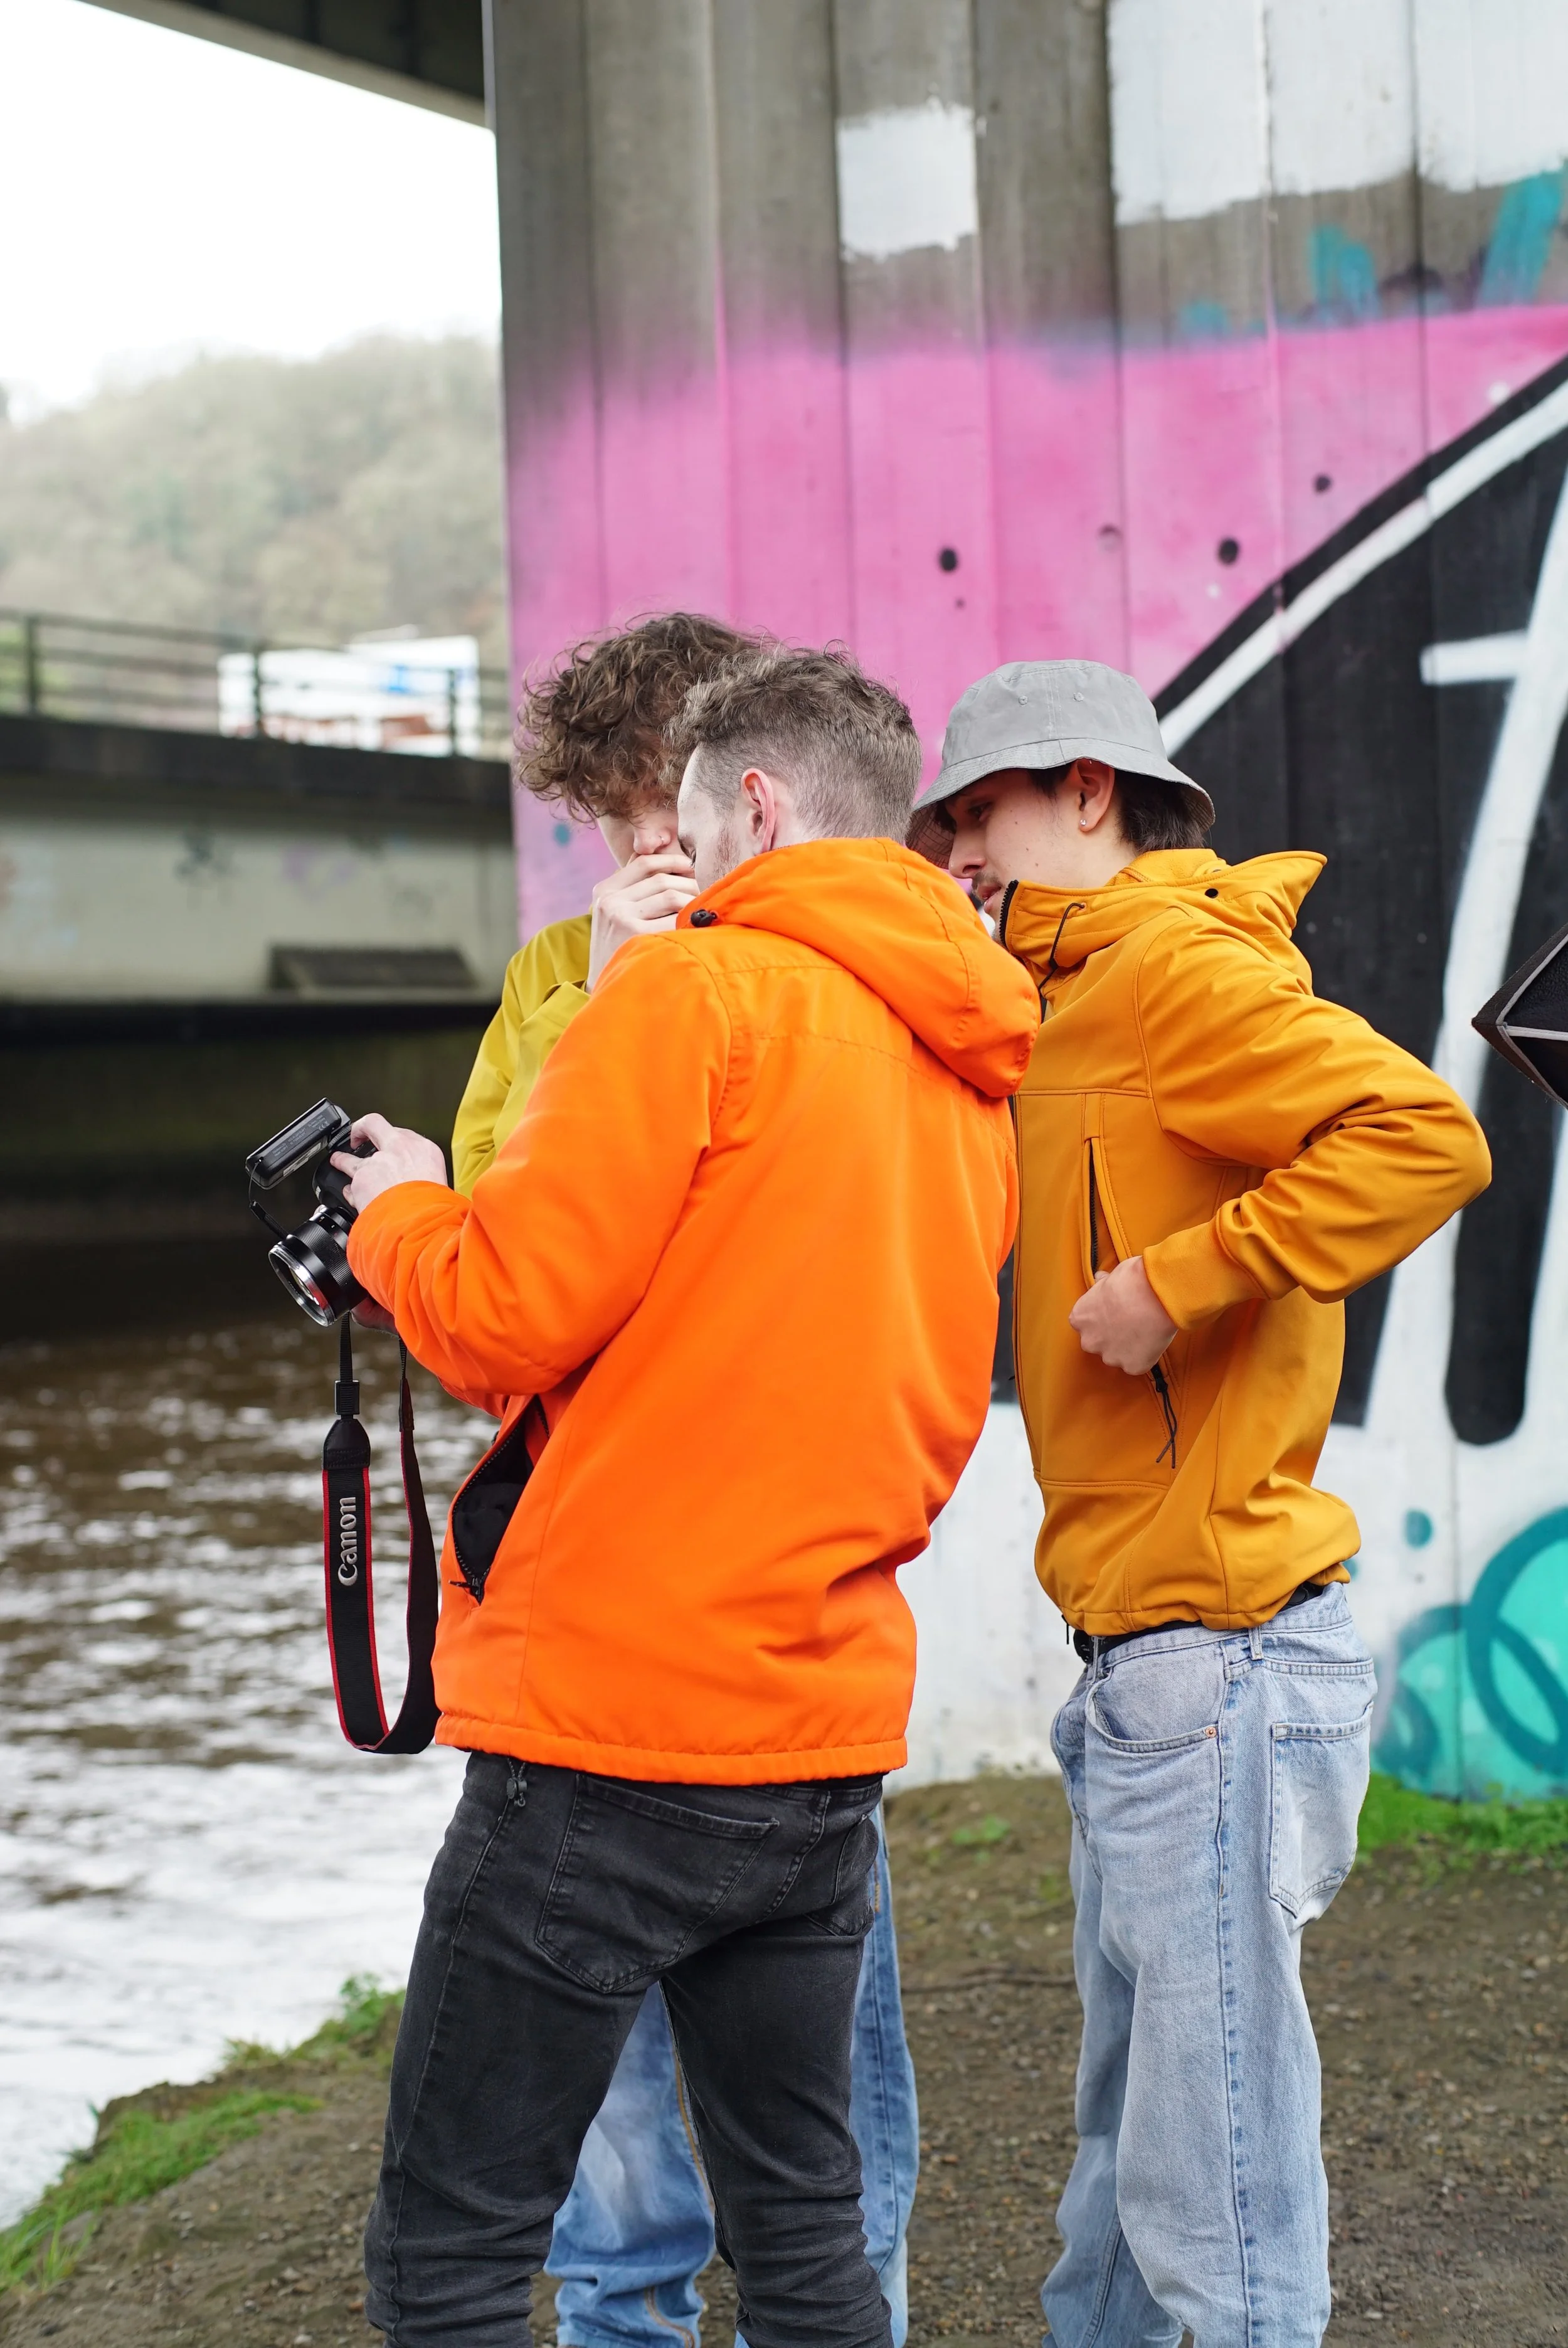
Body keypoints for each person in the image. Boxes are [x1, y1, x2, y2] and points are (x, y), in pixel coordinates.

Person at [336, 647, 1041, 2348]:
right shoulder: (967, 1069)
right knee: (802, 2231)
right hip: (813, 1733)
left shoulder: (688, 994)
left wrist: (399, 1208)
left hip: (611, 1732)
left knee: (447, 2253)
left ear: (754, 801)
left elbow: (501, 1306)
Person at [909, 659, 1491, 2348]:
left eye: (982, 808)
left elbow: (1421, 1133)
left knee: (1210, 2179)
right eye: (943, 818)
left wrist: (1182, 1278)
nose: (958, 846)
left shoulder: (1166, 969)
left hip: (1219, 1650)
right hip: (1145, 1661)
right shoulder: (1050, 1000)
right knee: (1129, 2149)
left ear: (1087, 791)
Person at [452, 614, 919, 2348]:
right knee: (620, 2123)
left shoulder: (846, 978)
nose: (636, 847)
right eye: (601, 817)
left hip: (764, 1618)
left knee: (820, 2117)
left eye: (652, 805)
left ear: (738, 790)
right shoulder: (560, 981)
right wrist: (602, 991)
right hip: (605, 1615)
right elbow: (508, 1267)